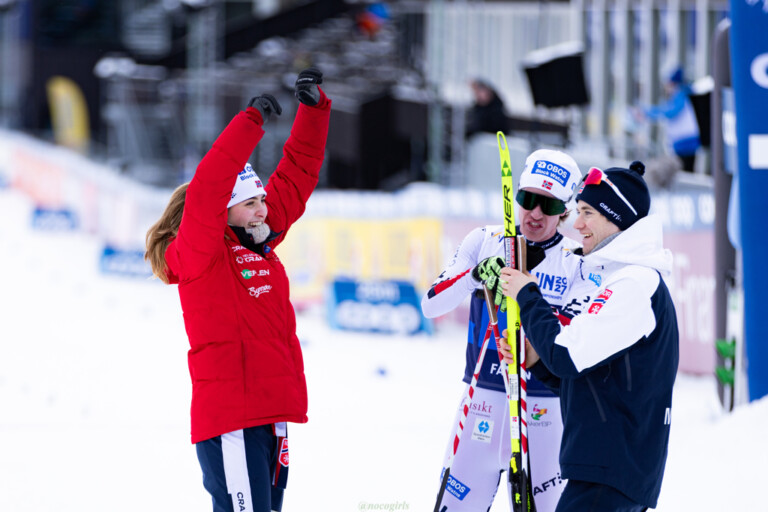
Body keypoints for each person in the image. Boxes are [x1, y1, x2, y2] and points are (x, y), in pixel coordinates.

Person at [144, 67, 331, 512]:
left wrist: (313, 111)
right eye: (250, 203)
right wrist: (249, 123)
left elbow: (296, 177)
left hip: (271, 417)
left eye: (262, 200)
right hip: (232, 420)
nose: (262, 209)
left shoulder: (258, 240)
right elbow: (209, 186)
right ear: (223, 211)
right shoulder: (201, 254)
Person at [500, 161, 679, 512]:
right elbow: (596, 380)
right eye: (578, 211)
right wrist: (537, 361)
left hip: (610, 472)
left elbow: (566, 355)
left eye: (587, 213)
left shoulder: (634, 282)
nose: (577, 224)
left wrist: (527, 294)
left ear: (617, 219)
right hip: (607, 471)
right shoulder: (625, 279)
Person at [421, 149, 589, 511]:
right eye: (527, 199)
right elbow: (431, 304)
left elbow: (573, 340)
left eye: (548, 204)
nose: (535, 213)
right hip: (482, 399)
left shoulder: (579, 260)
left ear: (565, 210)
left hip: (545, 409)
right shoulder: (484, 240)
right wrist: (475, 276)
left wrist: (530, 297)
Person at [638, 67, 700, 172]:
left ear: (673, 83)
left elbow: (670, 112)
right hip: (685, 142)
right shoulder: (682, 94)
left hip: (685, 142)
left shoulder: (680, 95)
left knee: (684, 172)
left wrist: (647, 113)